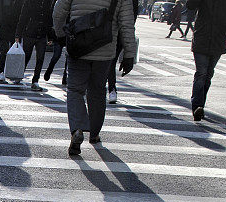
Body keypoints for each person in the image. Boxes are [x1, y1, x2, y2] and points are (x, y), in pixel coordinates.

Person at [53, 0, 137, 155]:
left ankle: (77, 129)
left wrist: (59, 34)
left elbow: (59, 11)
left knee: (75, 90)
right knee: (97, 91)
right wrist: (129, 53)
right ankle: (94, 133)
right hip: (105, 50)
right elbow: (126, 23)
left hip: (78, 45)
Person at [184, 0, 226, 121]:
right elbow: (190, 5)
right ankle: (197, 106)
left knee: (208, 75)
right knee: (201, 73)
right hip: (202, 37)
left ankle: (200, 106)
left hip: (218, 39)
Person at [15, 0, 54, 91]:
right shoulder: (30, 2)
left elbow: (49, 19)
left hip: (41, 34)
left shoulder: (47, 3)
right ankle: (20, 74)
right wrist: (18, 34)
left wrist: (50, 37)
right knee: (27, 56)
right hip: (30, 33)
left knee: (40, 58)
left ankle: (35, 80)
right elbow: (23, 18)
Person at [107, 0, 139, 103]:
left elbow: (129, 22)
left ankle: (111, 89)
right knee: (109, 62)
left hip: (111, 33)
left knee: (110, 62)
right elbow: (130, 22)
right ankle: (111, 89)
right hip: (109, 32)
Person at [0, 0, 24, 81]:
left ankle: (11, 73)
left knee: (14, 52)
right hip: (5, 27)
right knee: (4, 50)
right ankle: (2, 72)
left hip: (15, 28)